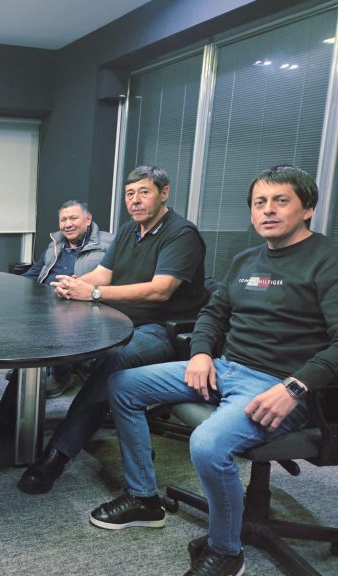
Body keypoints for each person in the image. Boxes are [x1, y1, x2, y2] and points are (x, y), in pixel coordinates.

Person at [91, 165, 338, 576]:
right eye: (260, 202)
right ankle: (144, 499)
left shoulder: (327, 261)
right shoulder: (245, 259)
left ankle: (226, 553)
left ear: (307, 208)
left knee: (207, 444)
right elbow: (212, 314)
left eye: (281, 201)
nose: (268, 210)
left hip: (281, 386)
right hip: (225, 368)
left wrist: (295, 387)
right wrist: (202, 354)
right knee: (123, 383)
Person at [16, 165, 207, 495]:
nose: (135, 200)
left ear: (164, 193)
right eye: (130, 194)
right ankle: (8, 415)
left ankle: (57, 455)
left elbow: (160, 290)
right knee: (50, 328)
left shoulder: (182, 233)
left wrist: (92, 293)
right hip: (122, 318)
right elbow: (103, 274)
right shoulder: (129, 230)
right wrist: (72, 285)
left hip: (163, 329)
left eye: (144, 192)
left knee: (115, 359)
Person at [0, 200, 113, 433]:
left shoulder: (108, 245)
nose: (67, 224)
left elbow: (113, 281)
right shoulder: (56, 244)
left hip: (80, 308)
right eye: (63, 219)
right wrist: (5, 289)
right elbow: (35, 272)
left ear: (88, 218)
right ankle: (29, 377)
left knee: (32, 344)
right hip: (47, 303)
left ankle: (10, 414)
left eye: (73, 218)